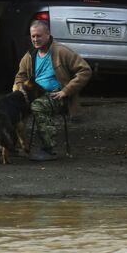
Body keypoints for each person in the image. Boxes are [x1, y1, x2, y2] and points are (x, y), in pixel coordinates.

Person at [13, 20, 92, 161]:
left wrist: (66, 91)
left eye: (39, 36)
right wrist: (18, 90)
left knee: (37, 106)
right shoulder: (30, 55)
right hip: (34, 94)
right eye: (33, 36)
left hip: (57, 96)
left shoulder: (61, 51)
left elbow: (85, 70)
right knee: (12, 104)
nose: (35, 39)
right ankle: (11, 145)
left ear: (48, 35)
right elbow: (21, 75)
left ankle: (49, 150)